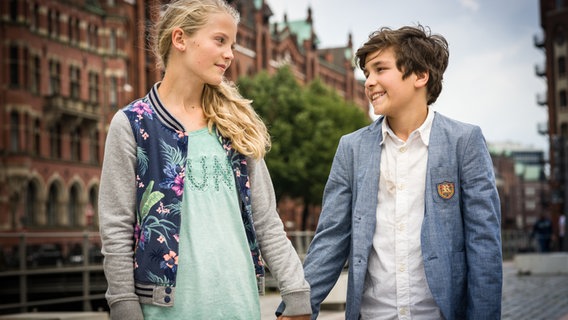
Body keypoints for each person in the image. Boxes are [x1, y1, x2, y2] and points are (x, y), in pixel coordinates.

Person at [98, 1, 311, 319]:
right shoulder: (133, 124)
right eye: (220, 40)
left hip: (240, 306)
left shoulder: (237, 124)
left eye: (233, 44)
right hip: (165, 310)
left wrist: (296, 291)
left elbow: (266, 220)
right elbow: (115, 228)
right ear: (180, 39)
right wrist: (123, 305)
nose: (230, 54)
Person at [279, 25, 503, 319]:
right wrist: (296, 308)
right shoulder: (352, 148)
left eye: (380, 69)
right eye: (367, 74)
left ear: (420, 75)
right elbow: (331, 239)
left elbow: (483, 245)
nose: (369, 82)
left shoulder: (465, 142)